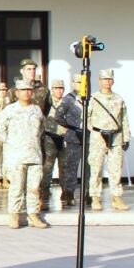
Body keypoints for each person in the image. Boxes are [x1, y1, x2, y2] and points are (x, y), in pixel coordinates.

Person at [0, 80, 48, 229]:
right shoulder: (10, 110)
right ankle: (14, 215)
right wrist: (12, 143)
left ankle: (33, 215)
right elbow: (1, 130)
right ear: (17, 92)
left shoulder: (37, 110)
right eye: (23, 90)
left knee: (34, 188)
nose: (27, 92)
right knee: (17, 187)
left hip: (34, 155)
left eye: (29, 90)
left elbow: (41, 130)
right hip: (16, 156)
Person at [86, 69, 130, 211]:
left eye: (110, 79)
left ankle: (116, 198)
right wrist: (93, 131)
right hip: (98, 137)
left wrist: (126, 137)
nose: (107, 82)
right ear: (99, 81)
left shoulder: (119, 99)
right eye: (105, 79)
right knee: (96, 169)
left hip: (116, 137)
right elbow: (86, 117)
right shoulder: (93, 98)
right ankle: (95, 198)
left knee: (116, 169)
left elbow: (124, 119)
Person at [55, 75, 84, 203]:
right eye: (78, 82)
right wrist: (71, 127)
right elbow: (58, 116)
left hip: (88, 137)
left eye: (83, 82)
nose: (81, 85)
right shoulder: (68, 99)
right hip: (73, 137)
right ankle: (69, 193)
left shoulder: (92, 98)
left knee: (89, 167)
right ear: (73, 83)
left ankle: (88, 193)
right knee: (71, 167)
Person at [39, 79, 66, 205]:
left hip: (64, 137)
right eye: (56, 88)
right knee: (48, 166)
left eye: (61, 88)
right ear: (52, 89)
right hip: (50, 137)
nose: (59, 91)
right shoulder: (47, 103)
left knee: (64, 166)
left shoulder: (68, 103)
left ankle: (65, 191)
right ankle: (45, 188)